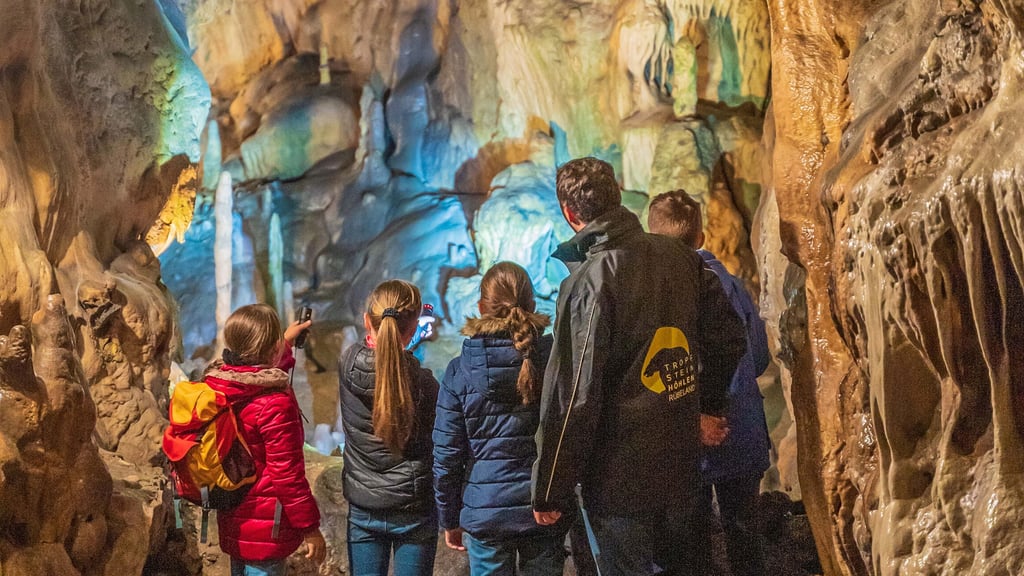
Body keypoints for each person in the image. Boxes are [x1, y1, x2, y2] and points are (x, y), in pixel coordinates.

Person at [531, 157, 748, 576]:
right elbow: (729, 338)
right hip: (681, 466)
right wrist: (706, 405)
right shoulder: (680, 257)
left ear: (569, 213)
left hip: (619, 482)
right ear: (617, 195)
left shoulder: (589, 282)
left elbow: (573, 396)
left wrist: (550, 487)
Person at [648, 190, 772, 576]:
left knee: (693, 546)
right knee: (745, 540)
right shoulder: (732, 285)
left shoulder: (660, 294)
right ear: (701, 237)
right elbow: (759, 356)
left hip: (690, 440)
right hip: (742, 430)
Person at [433, 262, 569, 576]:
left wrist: (450, 518)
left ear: (481, 307)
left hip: (486, 511)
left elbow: (447, 457)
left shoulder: (459, 371)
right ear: (532, 304)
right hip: (544, 506)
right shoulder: (556, 362)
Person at [203, 303, 326, 576]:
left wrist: (285, 343)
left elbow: (253, 375)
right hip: (267, 526)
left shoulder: (219, 383)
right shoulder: (274, 405)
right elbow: (287, 475)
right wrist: (310, 528)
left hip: (233, 517)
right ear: (271, 350)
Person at [338, 280, 440, 576]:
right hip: (413, 510)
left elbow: (383, 365)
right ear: (413, 329)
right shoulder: (424, 383)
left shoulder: (348, 364)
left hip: (364, 507)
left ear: (366, 320)